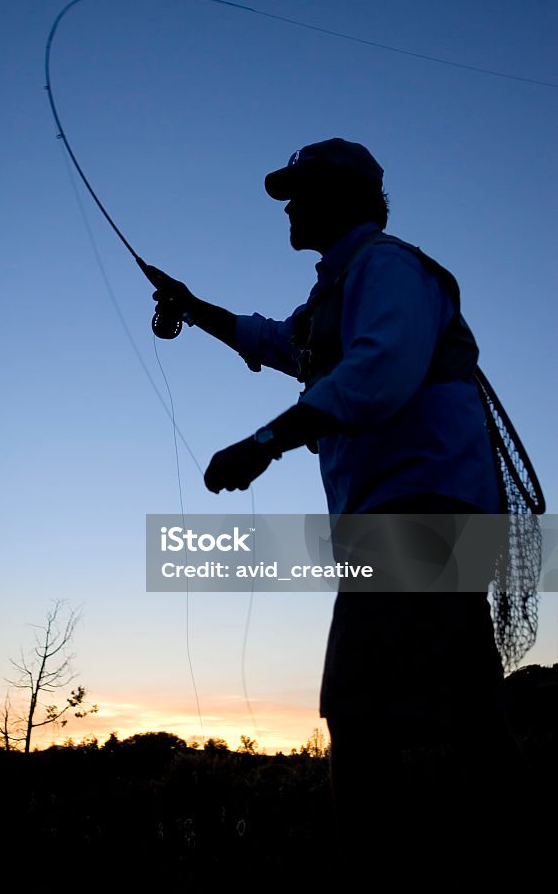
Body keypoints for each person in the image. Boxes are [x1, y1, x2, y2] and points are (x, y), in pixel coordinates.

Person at [149, 138, 527, 882]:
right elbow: (284, 345)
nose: (287, 206)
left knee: (359, 713)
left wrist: (262, 441)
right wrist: (194, 309)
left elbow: (376, 374)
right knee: (463, 710)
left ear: (349, 196)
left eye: (302, 190)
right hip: (420, 515)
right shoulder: (341, 288)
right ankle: (504, 856)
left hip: (421, 511)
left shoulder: (386, 268)